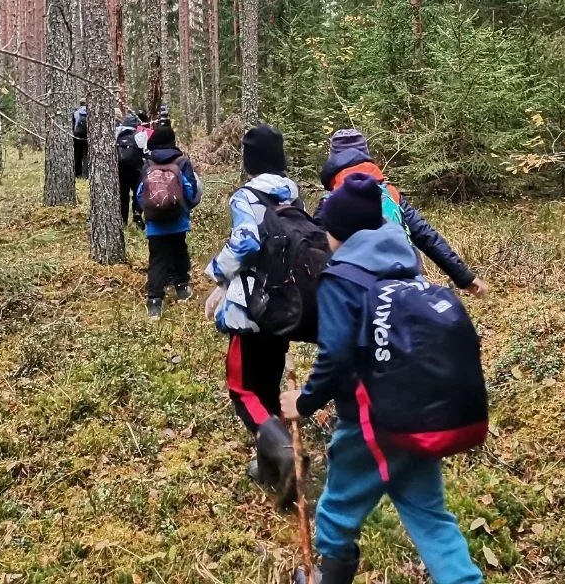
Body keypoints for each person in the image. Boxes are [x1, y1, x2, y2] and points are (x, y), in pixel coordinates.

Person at [280, 174, 483, 584]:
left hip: (371, 420)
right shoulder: (403, 263)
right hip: (418, 410)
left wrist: (303, 402)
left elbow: (335, 355)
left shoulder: (342, 278)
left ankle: (329, 578)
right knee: (429, 515)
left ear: (336, 232)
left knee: (337, 509)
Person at [203, 123, 301, 506]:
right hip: (286, 306)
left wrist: (217, 273)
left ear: (249, 162)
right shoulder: (293, 193)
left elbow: (246, 243)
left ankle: (285, 454)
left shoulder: (245, 196)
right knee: (269, 383)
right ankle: (268, 465)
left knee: (242, 388)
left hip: (252, 309)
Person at [317, 129, 486, 296]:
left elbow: (314, 252)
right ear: (366, 156)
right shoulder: (390, 194)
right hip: (406, 286)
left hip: (354, 292)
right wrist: (464, 277)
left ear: (332, 161)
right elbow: (426, 236)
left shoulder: (328, 203)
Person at [135, 122, 201, 317]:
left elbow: (139, 194)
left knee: (157, 259)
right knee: (179, 252)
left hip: (155, 223)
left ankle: (154, 302)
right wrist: (184, 208)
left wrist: (147, 212)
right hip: (178, 220)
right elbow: (191, 191)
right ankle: (182, 289)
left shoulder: (148, 165)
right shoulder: (182, 162)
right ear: (173, 141)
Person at [116, 112, 145, 226]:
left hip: (121, 169)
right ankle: (137, 213)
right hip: (136, 169)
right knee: (137, 192)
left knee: (123, 194)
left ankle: (123, 220)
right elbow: (145, 151)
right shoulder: (139, 135)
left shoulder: (117, 135)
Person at [72, 100, 89, 178]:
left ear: (80, 104)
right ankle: (85, 174)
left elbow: (73, 124)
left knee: (77, 154)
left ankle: (77, 173)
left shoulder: (76, 112)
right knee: (86, 154)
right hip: (87, 136)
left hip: (77, 135)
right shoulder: (89, 111)